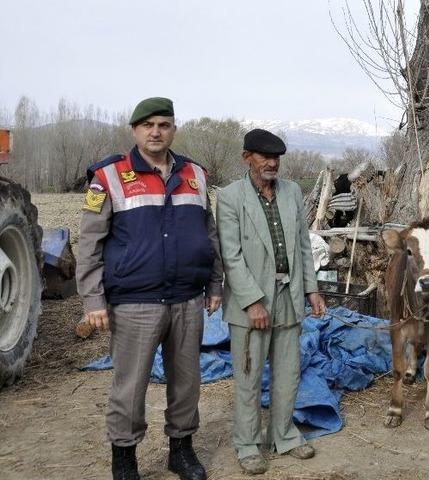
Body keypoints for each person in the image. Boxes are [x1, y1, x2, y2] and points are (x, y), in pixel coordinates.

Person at [76, 97, 222, 480]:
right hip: (134, 301)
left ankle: (182, 450)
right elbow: (89, 243)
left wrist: (214, 283)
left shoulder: (196, 173)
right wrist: (93, 299)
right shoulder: (108, 176)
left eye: (163, 124)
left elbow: (210, 234)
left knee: (187, 383)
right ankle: (124, 460)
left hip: (187, 298)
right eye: (148, 125)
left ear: (173, 128)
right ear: (135, 130)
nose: (155, 132)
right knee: (130, 386)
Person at [217, 128, 326, 475]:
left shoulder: (292, 192)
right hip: (252, 302)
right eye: (264, 156)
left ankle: (284, 435)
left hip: (289, 296)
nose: (271, 163)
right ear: (246, 157)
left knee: (288, 373)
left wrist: (311, 289)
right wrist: (252, 302)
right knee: (248, 375)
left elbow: (304, 246)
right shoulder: (230, 197)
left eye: (276, 157)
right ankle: (248, 444)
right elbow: (231, 257)